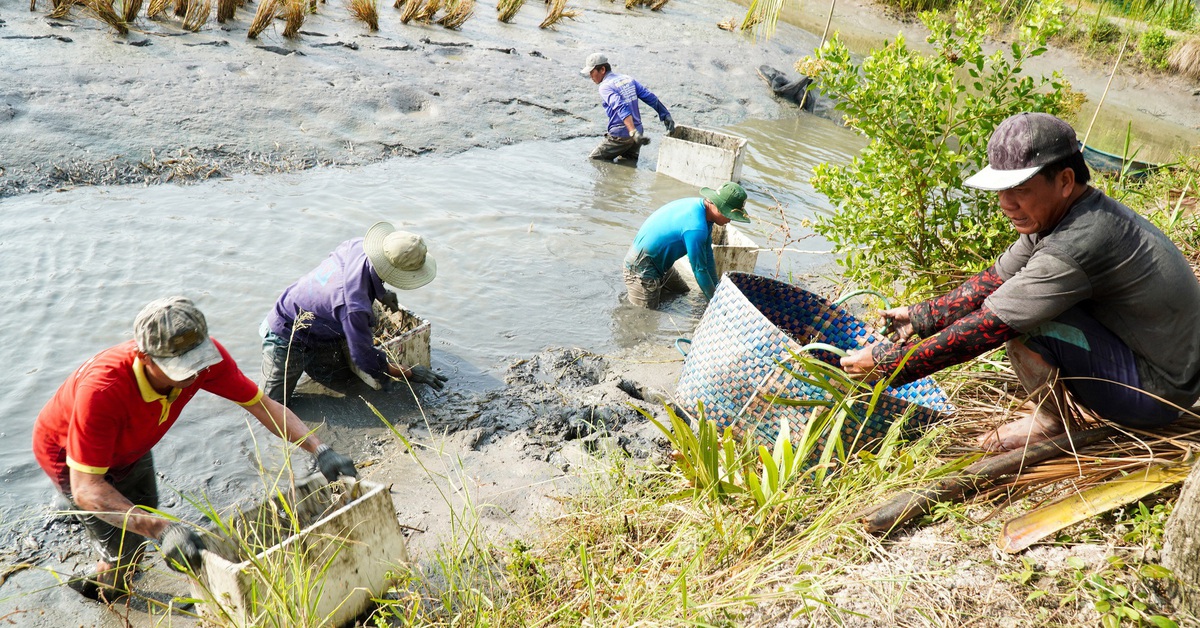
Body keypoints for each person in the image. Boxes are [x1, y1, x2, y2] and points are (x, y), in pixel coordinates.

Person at [839, 112, 1200, 451]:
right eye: (1001, 190)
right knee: (1016, 301)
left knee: (1026, 321)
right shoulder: (1068, 215)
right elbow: (994, 281)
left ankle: (1050, 422)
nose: (1006, 203)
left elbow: (990, 327)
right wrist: (918, 318)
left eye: (1020, 190)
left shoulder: (1080, 241)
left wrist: (891, 364)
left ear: (1064, 181)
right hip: (1160, 365)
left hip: (1159, 394)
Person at [32, 296, 357, 602]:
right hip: (68, 451)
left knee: (147, 505)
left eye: (196, 363)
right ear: (144, 357)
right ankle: (105, 589)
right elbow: (87, 486)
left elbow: (263, 406)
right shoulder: (102, 391)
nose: (193, 375)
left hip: (132, 442)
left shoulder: (206, 361)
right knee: (120, 546)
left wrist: (320, 449)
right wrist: (163, 529)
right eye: (180, 369)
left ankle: (84, 523)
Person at [261, 221, 447, 404]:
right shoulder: (354, 306)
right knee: (272, 407)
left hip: (322, 325)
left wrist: (381, 293)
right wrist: (411, 373)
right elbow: (364, 358)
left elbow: (356, 275)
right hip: (286, 334)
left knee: (340, 379)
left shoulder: (356, 245)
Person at [623, 181, 750, 309]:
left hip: (659, 263)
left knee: (682, 292)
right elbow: (699, 270)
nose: (729, 220)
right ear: (718, 207)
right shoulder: (696, 228)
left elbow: (708, 257)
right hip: (641, 267)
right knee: (646, 316)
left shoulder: (703, 211)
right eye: (730, 215)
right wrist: (716, 305)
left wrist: (717, 290)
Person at [581, 52, 675, 163]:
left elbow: (621, 107)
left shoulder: (605, 86)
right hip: (638, 133)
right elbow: (649, 96)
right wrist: (665, 115)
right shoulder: (627, 79)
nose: (590, 76)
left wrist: (632, 131)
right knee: (628, 165)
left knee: (594, 160)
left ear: (602, 70)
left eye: (592, 72)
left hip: (621, 135)